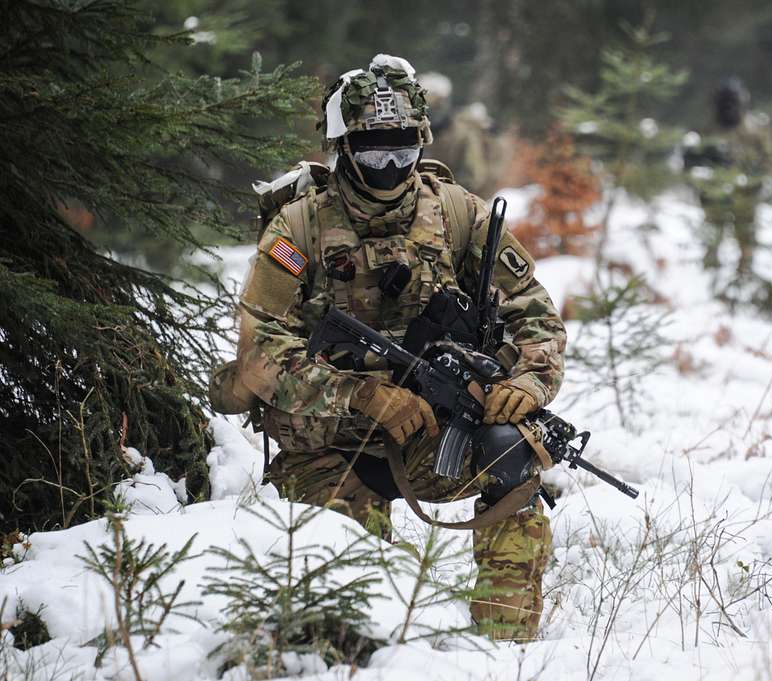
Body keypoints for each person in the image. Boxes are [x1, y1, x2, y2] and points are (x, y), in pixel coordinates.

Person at [229, 55, 565, 642]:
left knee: (511, 459)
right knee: (342, 597)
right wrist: (360, 395)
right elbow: (260, 349)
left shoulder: (459, 214)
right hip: (325, 444)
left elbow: (535, 312)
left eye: (403, 150)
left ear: (422, 141)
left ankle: (506, 647)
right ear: (344, 146)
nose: (390, 166)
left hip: (431, 437)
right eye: (374, 150)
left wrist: (527, 383)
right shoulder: (298, 228)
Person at [684, 78, 772, 278]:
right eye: (724, 102)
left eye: (732, 102)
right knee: (712, 237)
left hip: (746, 195)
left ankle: (745, 275)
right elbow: (692, 164)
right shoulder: (706, 130)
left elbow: (768, 163)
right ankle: (709, 276)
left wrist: (754, 179)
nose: (728, 108)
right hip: (715, 195)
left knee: (746, 237)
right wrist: (703, 180)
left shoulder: (755, 131)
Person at [418, 71, 509, 198]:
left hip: (455, 204)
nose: (432, 110)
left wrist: (441, 195)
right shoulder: (415, 133)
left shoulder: (462, 134)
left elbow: (473, 178)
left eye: (436, 104)